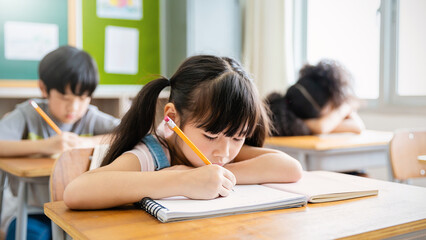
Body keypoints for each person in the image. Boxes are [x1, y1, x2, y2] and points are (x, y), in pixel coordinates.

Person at [63, 55, 303, 210]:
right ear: (173, 118)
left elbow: (290, 168)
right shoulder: (154, 152)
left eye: (238, 137)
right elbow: (76, 192)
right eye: (210, 136)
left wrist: (218, 177)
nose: (225, 151)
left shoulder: (221, 149)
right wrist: (184, 180)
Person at [0, 46, 119, 240]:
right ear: (43, 89)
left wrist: (83, 143)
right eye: (64, 97)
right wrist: (46, 145)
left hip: (77, 209)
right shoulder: (28, 113)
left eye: (82, 98)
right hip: (33, 210)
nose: (73, 107)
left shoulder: (90, 116)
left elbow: (131, 134)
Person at [265, 59, 365, 136]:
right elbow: (357, 126)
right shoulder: (307, 124)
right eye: (333, 106)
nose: (334, 110)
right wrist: (346, 106)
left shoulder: (289, 118)